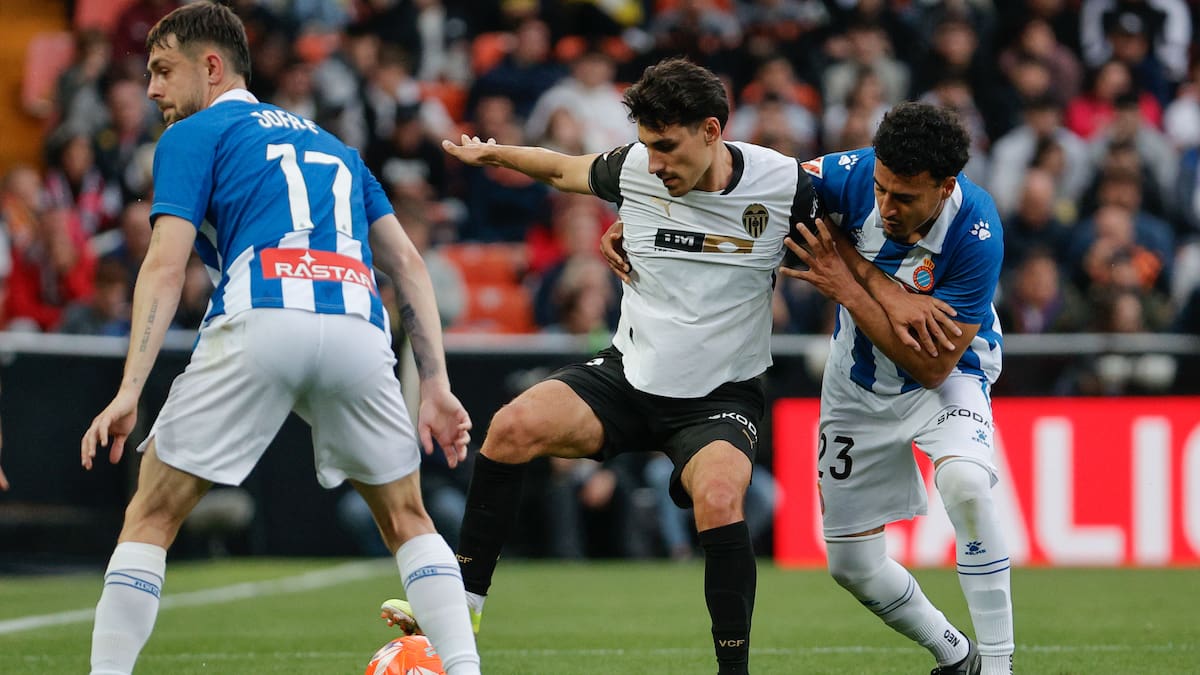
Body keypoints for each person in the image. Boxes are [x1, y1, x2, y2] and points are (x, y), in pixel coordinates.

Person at [386, 56, 829, 675]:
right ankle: (464, 605)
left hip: (719, 397)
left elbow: (861, 219)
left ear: (712, 130)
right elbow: (565, 168)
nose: (656, 162)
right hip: (628, 376)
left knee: (723, 499)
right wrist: (496, 156)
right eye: (648, 146)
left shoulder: (787, 185)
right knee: (510, 429)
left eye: (668, 147)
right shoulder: (636, 170)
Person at [77, 5, 481, 675]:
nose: (151, 89)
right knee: (409, 517)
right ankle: (466, 668)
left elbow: (165, 264)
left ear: (211, 67)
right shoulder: (337, 148)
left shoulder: (193, 134)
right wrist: (436, 384)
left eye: (161, 70)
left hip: (263, 312)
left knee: (149, 513)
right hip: (358, 325)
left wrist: (128, 389)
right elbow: (407, 264)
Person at [780, 102, 1013, 675]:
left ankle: (1001, 668)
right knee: (851, 565)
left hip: (947, 379)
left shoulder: (977, 231)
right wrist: (890, 293)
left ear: (944, 187)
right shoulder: (849, 173)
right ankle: (955, 656)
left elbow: (932, 365)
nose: (885, 206)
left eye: (904, 197)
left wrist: (852, 289)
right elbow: (760, 191)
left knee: (964, 483)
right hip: (855, 387)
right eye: (881, 189)